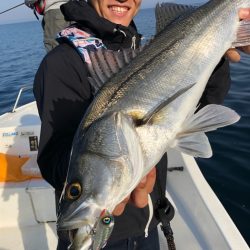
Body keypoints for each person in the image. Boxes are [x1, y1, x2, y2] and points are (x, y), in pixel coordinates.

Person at [33, 0, 250, 249]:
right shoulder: (61, 63)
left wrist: (216, 54)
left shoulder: (143, 46)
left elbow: (205, 103)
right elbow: (54, 156)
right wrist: (106, 182)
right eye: (76, 191)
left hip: (150, 222)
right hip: (107, 237)